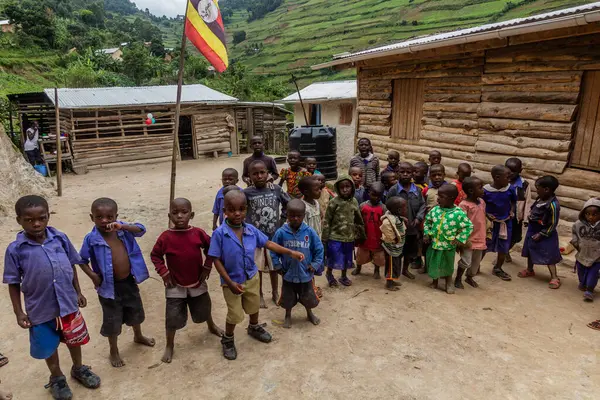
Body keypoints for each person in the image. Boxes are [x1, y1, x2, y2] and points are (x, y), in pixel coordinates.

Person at [4, 196, 100, 399]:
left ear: (48, 216)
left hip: (67, 303)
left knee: (74, 339)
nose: (37, 223)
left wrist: (78, 291)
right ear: (19, 220)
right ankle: (56, 377)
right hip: (40, 308)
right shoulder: (15, 250)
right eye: (29, 220)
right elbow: (13, 283)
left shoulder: (60, 238)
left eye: (42, 217)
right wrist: (19, 311)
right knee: (48, 345)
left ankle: (79, 368)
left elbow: (71, 265)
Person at [208, 190, 304, 360]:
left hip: (251, 277)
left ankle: (254, 327)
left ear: (247, 209)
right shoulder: (219, 234)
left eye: (241, 209)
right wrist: (229, 282)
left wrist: (290, 252)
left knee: (253, 306)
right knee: (234, 314)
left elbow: (268, 243)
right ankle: (228, 339)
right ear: (224, 211)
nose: (237, 213)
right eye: (231, 210)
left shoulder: (251, 230)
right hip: (231, 282)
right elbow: (215, 259)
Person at [78, 198, 154, 368]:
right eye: (99, 217)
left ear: (116, 217)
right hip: (108, 288)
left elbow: (141, 229)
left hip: (128, 281)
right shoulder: (91, 239)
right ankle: (113, 350)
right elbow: (81, 260)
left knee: (135, 310)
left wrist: (123, 225)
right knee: (112, 320)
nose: (105, 221)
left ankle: (138, 335)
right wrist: (93, 276)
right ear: (92, 217)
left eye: (109, 217)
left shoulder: (123, 232)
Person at [151, 198, 224, 364]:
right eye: (175, 213)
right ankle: (170, 344)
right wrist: (164, 272)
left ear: (191, 215)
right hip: (174, 285)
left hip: (197, 280)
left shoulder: (197, 233)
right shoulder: (166, 237)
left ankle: (211, 325)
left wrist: (207, 266)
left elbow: (211, 248)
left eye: (184, 212)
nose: (179, 216)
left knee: (204, 307)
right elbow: (155, 255)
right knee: (172, 316)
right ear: (169, 216)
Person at [271, 199, 324, 329]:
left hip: (305, 273)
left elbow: (319, 249)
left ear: (303, 215)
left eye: (298, 216)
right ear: (287, 215)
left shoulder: (309, 232)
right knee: (288, 297)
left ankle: (309, 313)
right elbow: (273, 250)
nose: (295, 218)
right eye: (291, 215)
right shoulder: (281, 232)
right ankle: (288, 315)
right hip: (288, 273)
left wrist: (315, 264)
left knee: (308, 297)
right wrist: (277, 265)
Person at [244, 160, 290, 308]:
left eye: (262, 172)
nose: (259, 176)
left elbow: (288, 204)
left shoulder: (275, 189)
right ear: (249, 176)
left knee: (273, 266)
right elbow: (239, 209)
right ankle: (260, 294)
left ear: (268, 173)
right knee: (258, 268)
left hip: (273, 237)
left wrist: (282, 221)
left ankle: (275, 292)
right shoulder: (246, 193)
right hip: (255, 239)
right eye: (255, 173)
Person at [424, 185, 473, 294]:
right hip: (434, 244)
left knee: (448, 265)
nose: (438, 199)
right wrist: (427, 233)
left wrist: (460, 238)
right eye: (438, 196)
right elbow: (427, 222)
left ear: (451, 198)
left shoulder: (458, 213)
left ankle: (448, 282)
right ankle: (434, 281)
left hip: (448, 246)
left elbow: (468, 226)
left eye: (441, 196)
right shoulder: (435, 210)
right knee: (434, 264)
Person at [322, 174, 366, 287]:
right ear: (337, 188)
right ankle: (329, 274)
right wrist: (325, 238)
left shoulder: (354, 202)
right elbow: (327, 220)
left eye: (348, 186)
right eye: (342, 187)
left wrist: (361, 234)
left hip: (349, 237)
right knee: (333, 257)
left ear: (352, 187)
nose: (345, 189)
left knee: (347, 257)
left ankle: (343, 276)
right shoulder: (334, 202)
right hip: (334, 236)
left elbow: (358, 219)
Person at [519, 176, 562, 289]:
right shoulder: (540, 199)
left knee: (549, 255)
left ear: (546, 189)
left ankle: (554, 277)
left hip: (546, 233)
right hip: (533, 229)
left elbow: (553, 223)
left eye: (538, 188)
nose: (536, 190)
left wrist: (542, 234)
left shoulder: (553, 205)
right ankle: (529, 269)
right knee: (530, 249)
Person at [387, 162, 426, 280]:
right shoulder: (394, 190)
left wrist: (418, 219)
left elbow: (423, 205)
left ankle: (405, 270)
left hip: (412, 227)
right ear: (398, 173)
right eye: (402, 172)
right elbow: (388, 206)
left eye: (408, 172)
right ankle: (395, 274)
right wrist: (398, 219)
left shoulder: (417, 190)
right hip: (398, 228)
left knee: (410, 251)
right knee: (397, 251)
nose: (405, 175)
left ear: (413, 174)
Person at [483, 165, 517, 281]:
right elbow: (481, 205)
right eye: (507, 177)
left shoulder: (510, 189)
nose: (509, 180)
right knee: (484, 245)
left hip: (505, 223)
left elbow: (513, 201)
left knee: (504, 247)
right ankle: (475, 266)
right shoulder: (486, 190)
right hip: (490, 224)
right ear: (497, 178)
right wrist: (487, 215)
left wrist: (512, 210)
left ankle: (498, 268)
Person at [455, 177, 487, 289]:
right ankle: (458, 278)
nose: (483, 190)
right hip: (468, 239)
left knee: (475, 262)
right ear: (471, 191)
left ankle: (469, 277)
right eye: (480, 187)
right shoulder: (464, 205)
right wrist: (460, 239)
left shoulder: (482, 202)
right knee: (466, 261)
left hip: (480, 237)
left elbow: (481, 217)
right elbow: (460, 222)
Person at [353, 182, 387, 280]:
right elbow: (357, 220)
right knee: (361, 255)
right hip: (365, 236)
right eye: (373, 195)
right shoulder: (363, 206)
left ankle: (376, 270)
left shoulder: (383, 208)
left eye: (379, 196)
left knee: (378, 256)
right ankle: (358, 268)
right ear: (369, 193)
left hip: (377, 236)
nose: (376, 198)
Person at [299, 175, 324, 298]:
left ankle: (311, 287)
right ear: (306, 192)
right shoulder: (302, 208)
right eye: (317, 190)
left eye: (320, 189)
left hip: (316, 242)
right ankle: (309, 290)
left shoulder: (316, 203)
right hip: (307, 245)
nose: (320, 191)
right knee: (308, 268)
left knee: (313, 267)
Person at [571, 198, 600, 302]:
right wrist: (576, 243)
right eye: (587, 214)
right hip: (581, 255)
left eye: (595, 214)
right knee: (581, 272)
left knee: (593, 274)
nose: (590, 217)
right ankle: (582, 283)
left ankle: (589, 290)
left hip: (597, 258)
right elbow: (574, 233)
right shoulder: (578, 224)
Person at [505, 157, 533, 263]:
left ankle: (506, 251)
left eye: (514, 171)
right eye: (508, 170)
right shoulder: (502, 181)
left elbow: (528, 202)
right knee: (503, 237)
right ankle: (502, 254)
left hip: (517, 217)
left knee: (516, 237)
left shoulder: (524, 185)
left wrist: (526, 218)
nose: (510, 173)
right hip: (504, 216)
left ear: (520, 171)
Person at [380, 197, 407, 291]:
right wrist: (394, 239)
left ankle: (392, 280)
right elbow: (386, 229)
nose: (406, 209)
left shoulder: (396, 216)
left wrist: (402, 219)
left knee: (396, 264)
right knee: (391, 265)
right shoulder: (388, 221)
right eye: (405, 208)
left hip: (397, 247)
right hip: (392, 247)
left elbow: (396, 220)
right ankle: (389, 284)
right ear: (399, 210)